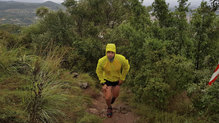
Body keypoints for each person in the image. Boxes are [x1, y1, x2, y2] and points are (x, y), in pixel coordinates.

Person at [96, 43, 130, 118]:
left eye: (112, 52)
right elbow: (98, 71)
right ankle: (109, 107)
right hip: (107, 80)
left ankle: (113, 98)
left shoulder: (120, 59)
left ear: (115, 52)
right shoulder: (102, 61)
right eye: (108, 52)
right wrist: (103, 83)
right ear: (106, 52)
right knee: (108, 97)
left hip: (116, 80)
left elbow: (126, 67)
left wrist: (122, 78)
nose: (110, 54)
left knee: (115, 95)